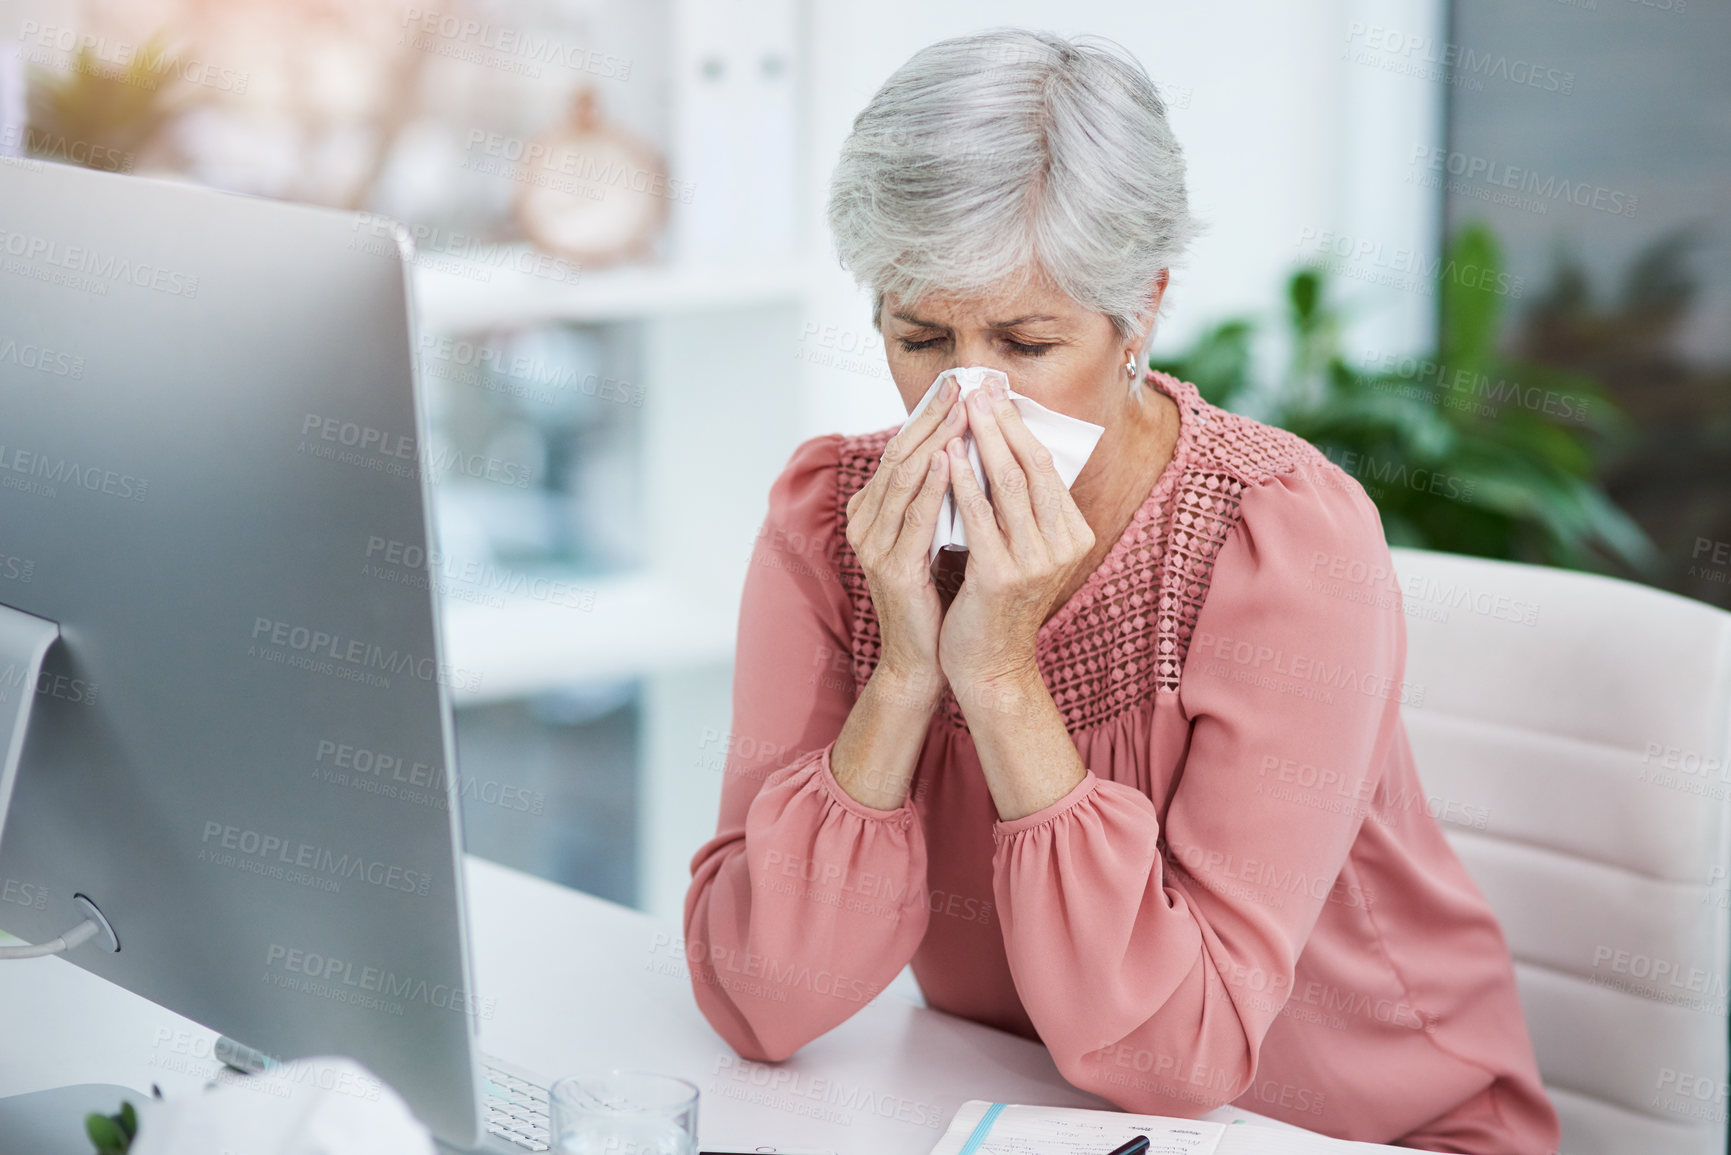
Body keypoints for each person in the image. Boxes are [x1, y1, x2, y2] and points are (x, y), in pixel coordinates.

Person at [683, 27, 1560, 1154]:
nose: (968, 397)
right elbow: (762, 999)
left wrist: (997, 676)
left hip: (1363, 1133)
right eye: (919, 336)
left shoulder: (1280, 541)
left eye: (1027, 340)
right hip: (1033, 1116)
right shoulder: (831, 522)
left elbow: (1179, 1057)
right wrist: (907, 671)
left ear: (1139, 311)